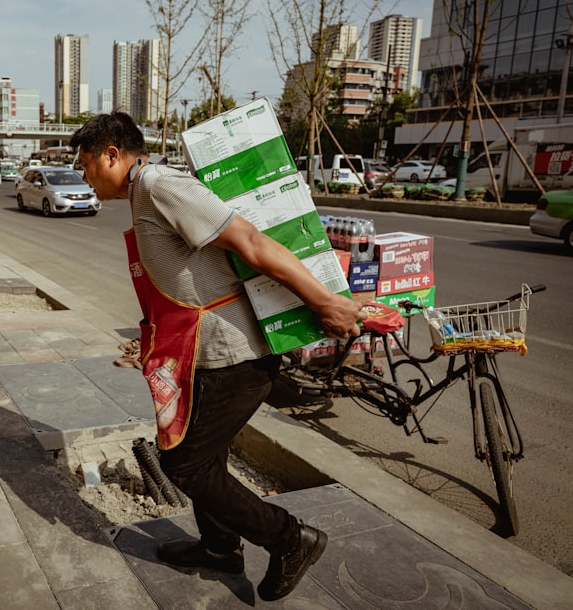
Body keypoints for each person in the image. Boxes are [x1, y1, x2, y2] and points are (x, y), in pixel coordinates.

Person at [70, 112, 362, 602]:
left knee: (183, 461)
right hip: (204, 354)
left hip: (236, 356)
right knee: (210, 454)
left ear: (112, 155)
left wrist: (324, 301)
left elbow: (250, 240)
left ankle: (289, 538)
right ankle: (220, 547)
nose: (84, 177)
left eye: (85, 165)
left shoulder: (161, 185)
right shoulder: (145, 193)